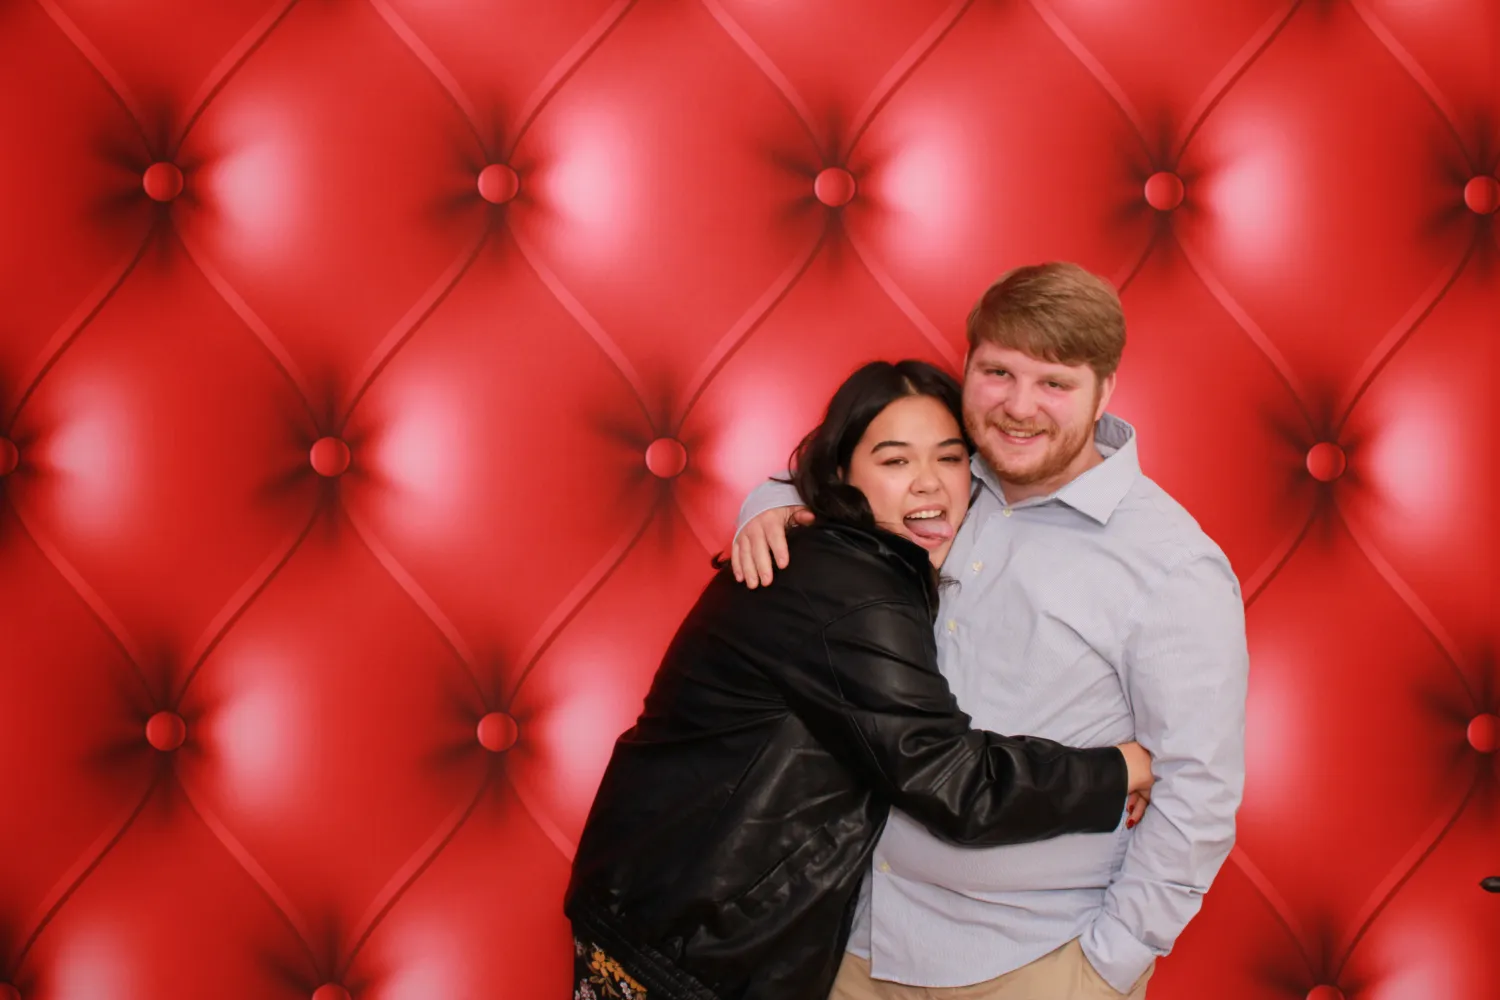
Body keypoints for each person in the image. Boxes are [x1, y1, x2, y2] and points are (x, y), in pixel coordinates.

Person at [731, 263, 1249, 999]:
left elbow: (1200, 791)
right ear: (966, 366)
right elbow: (824, 474)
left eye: (1054, 383)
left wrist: (1107, 967)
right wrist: (765, 507)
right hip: (851, 935)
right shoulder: (945, 475)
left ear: (1104, 391)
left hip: (1027, 964)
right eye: (998, 372)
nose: (1018, 407)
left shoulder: (1172, 567)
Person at [564, 360, 1158, 1000]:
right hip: (682, 942)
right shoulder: (849, 589)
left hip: (665, 913)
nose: (928, 484)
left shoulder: (862, 555)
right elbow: (950, 779)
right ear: (843, 472)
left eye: (950, 459)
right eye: (896, 462)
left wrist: (775, 502)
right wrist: (1120, 769)